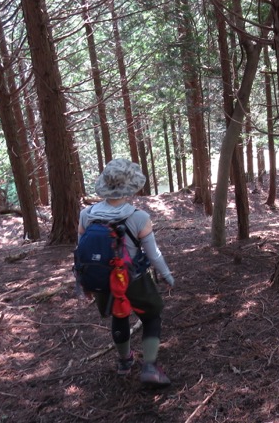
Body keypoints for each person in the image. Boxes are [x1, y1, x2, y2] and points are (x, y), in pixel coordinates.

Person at [78, 158, 175, 387]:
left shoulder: (86, 214)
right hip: (134, 280)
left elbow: (80, 252)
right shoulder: (138, 217)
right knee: (151, 317)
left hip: (103, 281)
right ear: (130, 187)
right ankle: (150, 367)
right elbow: (153, 254)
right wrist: (167, 275)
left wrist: (84, 283)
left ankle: (124, 361)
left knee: (119, 316)